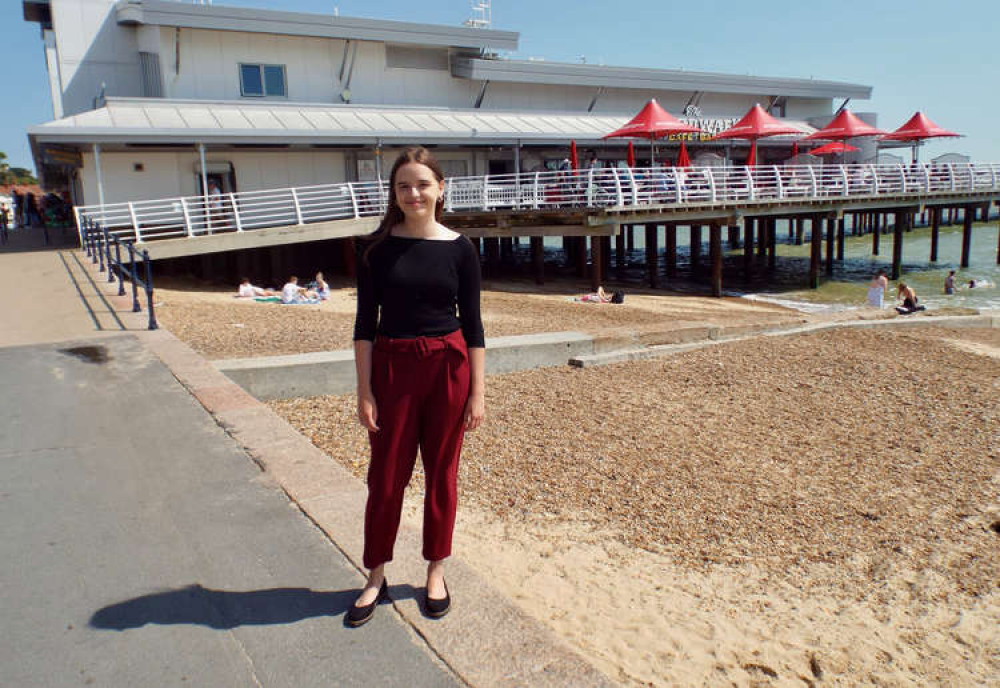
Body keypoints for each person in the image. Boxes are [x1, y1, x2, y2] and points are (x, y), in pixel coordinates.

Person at [350, 146, 485, 627]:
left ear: (440, 188)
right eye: (404, 185)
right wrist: (364, 391)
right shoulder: (374, 249)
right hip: (392, 369)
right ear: (393, 191)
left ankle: (435, 569)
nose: (414, 193)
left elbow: (474, 324)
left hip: (449, 367)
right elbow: (365, 324)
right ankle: (375, 574)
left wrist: (478, 393)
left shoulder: (461, 248)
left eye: (423, 184)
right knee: (385, 478)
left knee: (441, 474)